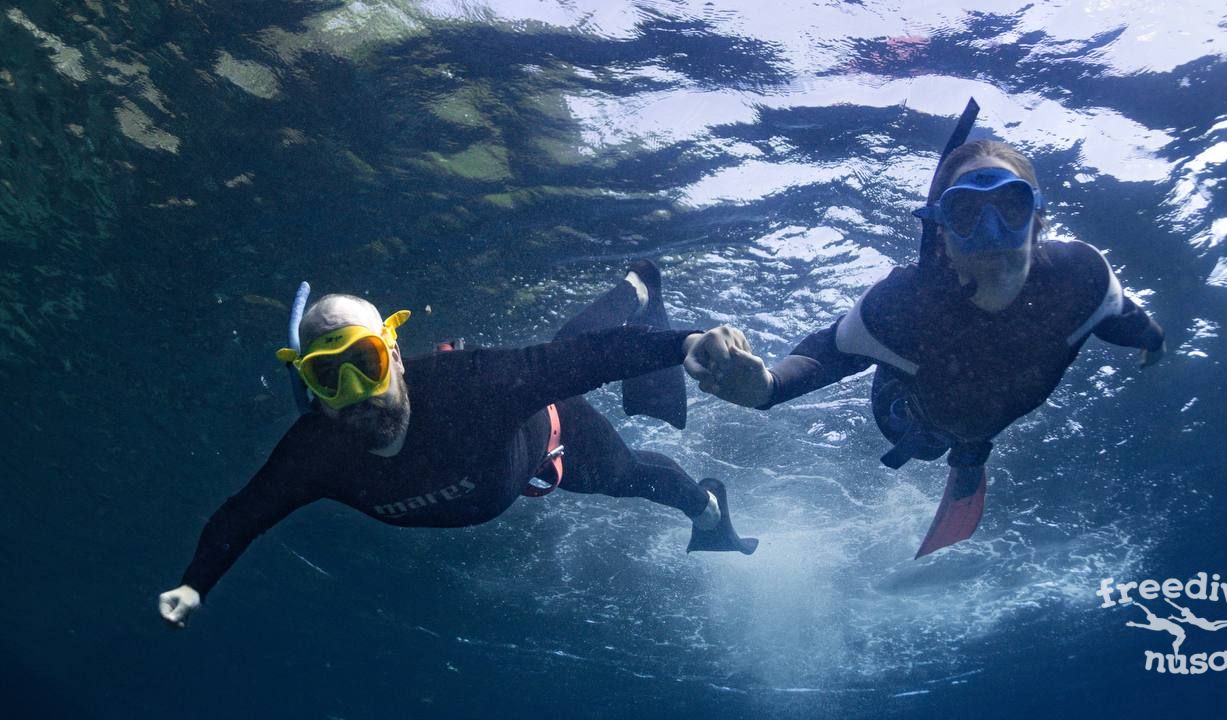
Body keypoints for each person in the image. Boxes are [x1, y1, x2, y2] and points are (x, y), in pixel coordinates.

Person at [684, 102, 1165, 558]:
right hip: (911, 409)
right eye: (966, 214)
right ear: (942, 234)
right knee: (933, 443)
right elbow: (819, 356)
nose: (991, 232)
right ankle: (963, 446)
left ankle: (973, 448)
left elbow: (1120, 316)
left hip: (998, 403)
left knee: (975, 427)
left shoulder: (1081, 277)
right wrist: (763, 386)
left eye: (1011, 208)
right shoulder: (902, 306)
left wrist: (1151, 339)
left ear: (1038, 219)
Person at [159, 261, 756, 628]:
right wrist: (194, 584)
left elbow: (583, 360)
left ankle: (708, 510)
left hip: (552, 438)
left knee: (624, 473)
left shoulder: (472, 387)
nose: (354, 394)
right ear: (310, 386)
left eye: (363, 363)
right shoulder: (314, 451)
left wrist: (686, 342)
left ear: (393, 353)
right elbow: (243, 515)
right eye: (326, 377)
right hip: (502, 469)